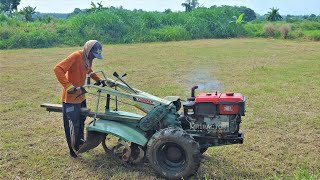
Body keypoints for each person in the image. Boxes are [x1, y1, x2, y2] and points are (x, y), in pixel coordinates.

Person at [54, 40, 104, 158]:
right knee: (73, 125)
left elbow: (88, 70)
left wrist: (98, 79)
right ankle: (73, 150)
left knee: (81, 122)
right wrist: (68, 86)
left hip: (81, 97)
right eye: (94, 55)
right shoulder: (76, 56)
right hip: (70, 99)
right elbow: (58, 69)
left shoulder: (87, 60)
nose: (94, 58)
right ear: (88, 50)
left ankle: (80, 143)